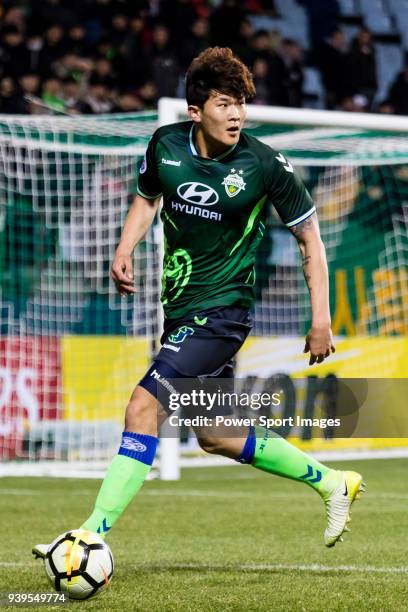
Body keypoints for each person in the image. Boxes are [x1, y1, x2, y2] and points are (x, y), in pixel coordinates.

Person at [33, 47, 364, 561]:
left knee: (143, 406)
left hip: (224, 312)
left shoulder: (264, 163)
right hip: (181, 311)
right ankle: (332, 483)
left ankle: (88, 535)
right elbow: (147, 198)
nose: (236, 115)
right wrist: (124, 248)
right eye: (225, 104)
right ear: (196, 111)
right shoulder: (165, 144)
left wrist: (320, 318)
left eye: (241, 105)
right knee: (216, 434)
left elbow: (311, 242)